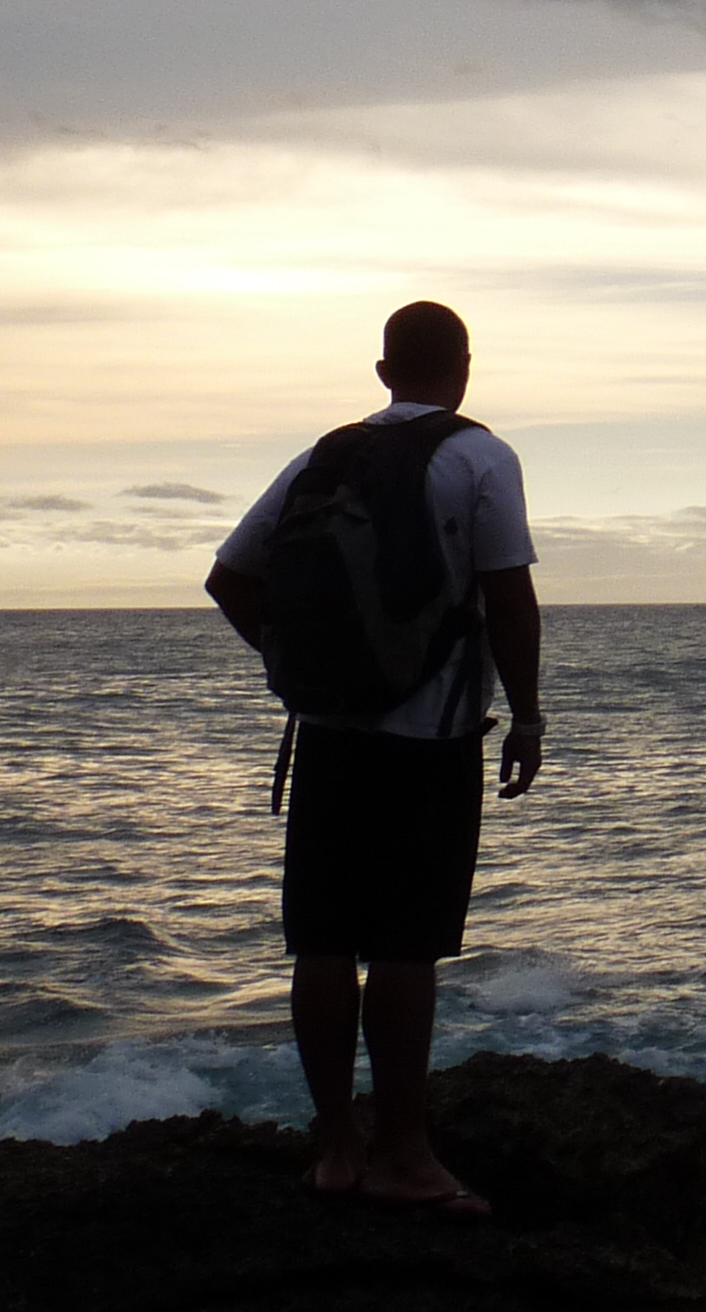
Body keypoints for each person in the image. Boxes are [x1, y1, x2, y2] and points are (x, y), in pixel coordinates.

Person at [202, 301, 544, 1218]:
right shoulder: (480, 458)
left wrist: (297, 665)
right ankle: (402, 1156)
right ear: (463, 366)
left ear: (384, 371)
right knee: (404, 945)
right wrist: (528, 718)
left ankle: (336, 1151)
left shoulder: (326, 455)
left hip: (324, 732)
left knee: (321, 940)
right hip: (429, 739)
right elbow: (509, 599)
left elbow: (229, 577)